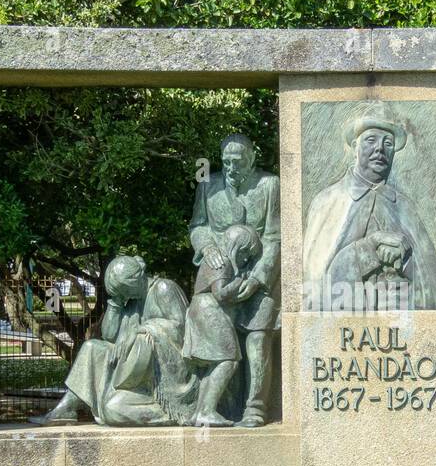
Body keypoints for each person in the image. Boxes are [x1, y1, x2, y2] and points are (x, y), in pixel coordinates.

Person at [302, 107, 436, 311]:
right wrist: (370, 247)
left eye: (388, 144)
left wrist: (404, 257)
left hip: (402, 318)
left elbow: (433, 286)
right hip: (346, 319)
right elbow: (315, 282)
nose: (380, 149)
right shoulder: (328, 201)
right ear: (354, 146)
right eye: (371, 140)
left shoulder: (404, 205)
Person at [30, 254, 196, 426]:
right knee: (91, 347)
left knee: (112, 410)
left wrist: (142, 329)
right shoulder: (131, 301)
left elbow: (182, 328)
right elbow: (109, 335)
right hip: (134, 369)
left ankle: (174, 414)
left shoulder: (164, 288)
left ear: (134, 282)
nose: (123, 295)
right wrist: (116, 303)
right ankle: (67, 408)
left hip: (163, 377)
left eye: (123, 291)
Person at [187, 134, 280, 427]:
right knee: (222, 345)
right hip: (220, 273)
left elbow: (276, 236)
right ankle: (218, 407)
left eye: (237, 162)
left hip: (258, 277)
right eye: (226, 161)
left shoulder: (270, 185)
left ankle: (255, 408)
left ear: (252, 159)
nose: (230, 168)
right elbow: (197, 226)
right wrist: (207, 248)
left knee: (257, 337)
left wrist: (258, 278)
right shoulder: (208, 185)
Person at [183, 224, 262, 427]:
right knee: (229, 360)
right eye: (246, 254)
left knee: (217, 362)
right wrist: (240, 282)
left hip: (202, 308)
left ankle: (200, 412)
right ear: (237, 248)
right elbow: (220, 293)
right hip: (209, 309)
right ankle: (207, 411)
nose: (246, 260)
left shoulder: (218, 260)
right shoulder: (223, 261)